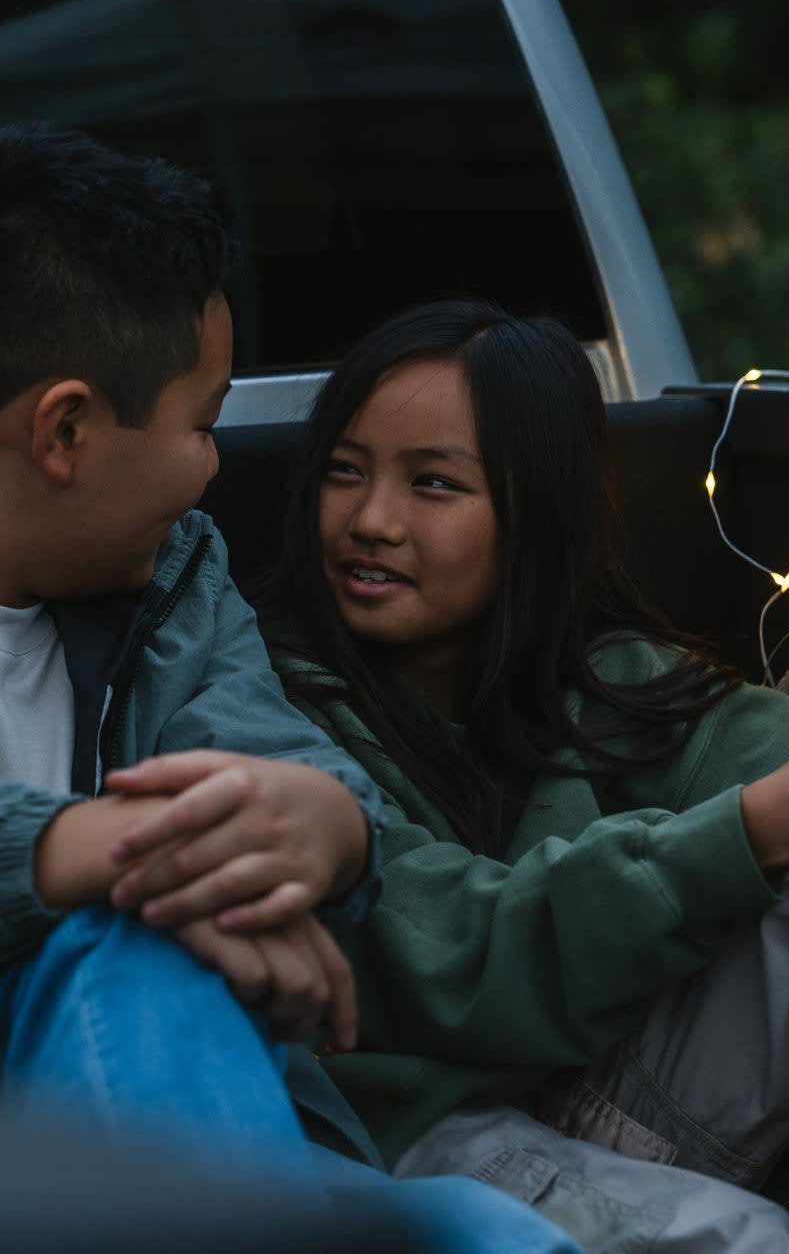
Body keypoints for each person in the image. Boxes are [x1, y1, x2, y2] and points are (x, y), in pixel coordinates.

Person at [252, 298, 789, 1253]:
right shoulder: (268, 699)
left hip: (603, 1096)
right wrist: (757, 828)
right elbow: (451, 966)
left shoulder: (615, 681)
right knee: (750, 1243)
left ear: (538, 509)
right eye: (344, 471)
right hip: (413, 1145)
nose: (371, 521)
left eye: (432, 485)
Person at [0, 125, 581, 1254]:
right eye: (202, 425)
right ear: (65, 428)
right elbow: (147, 856)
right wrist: (92, 850)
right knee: (143, 944)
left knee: (491, 1232)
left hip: (177, 1127)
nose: (214, 464)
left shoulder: (178, 571)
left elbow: (280, 762)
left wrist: (328, 827)